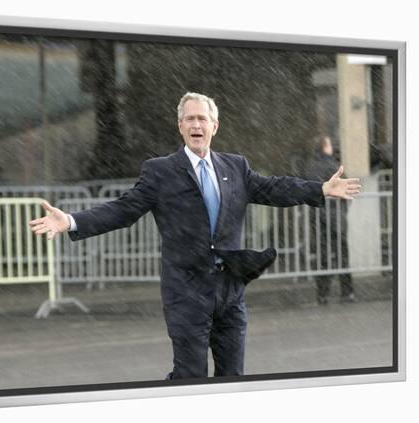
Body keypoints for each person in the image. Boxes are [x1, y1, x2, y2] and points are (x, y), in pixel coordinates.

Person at [29, 92, 361, 379]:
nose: (196, 126)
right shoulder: (160, 171)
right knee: (191, 377)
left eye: (202, 119)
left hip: (229, 290)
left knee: (232, 377)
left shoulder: (235, 167)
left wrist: (319, 188)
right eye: (189, 119)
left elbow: (273, 187)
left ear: (214, 126)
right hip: (186, 291)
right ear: (180, 126)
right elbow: (123, 209)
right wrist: (70, 221)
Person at [304, 135, 355, 304]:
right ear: (325, 147)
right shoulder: (332, 166)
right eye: (329, 144)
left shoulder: (310, 167)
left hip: (318, 216)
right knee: (342, 254)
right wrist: (343, 210)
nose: (332, 146)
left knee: (322, 255)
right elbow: (346, 187)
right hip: (335, 217)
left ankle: (322, 294)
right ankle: (347, 292)